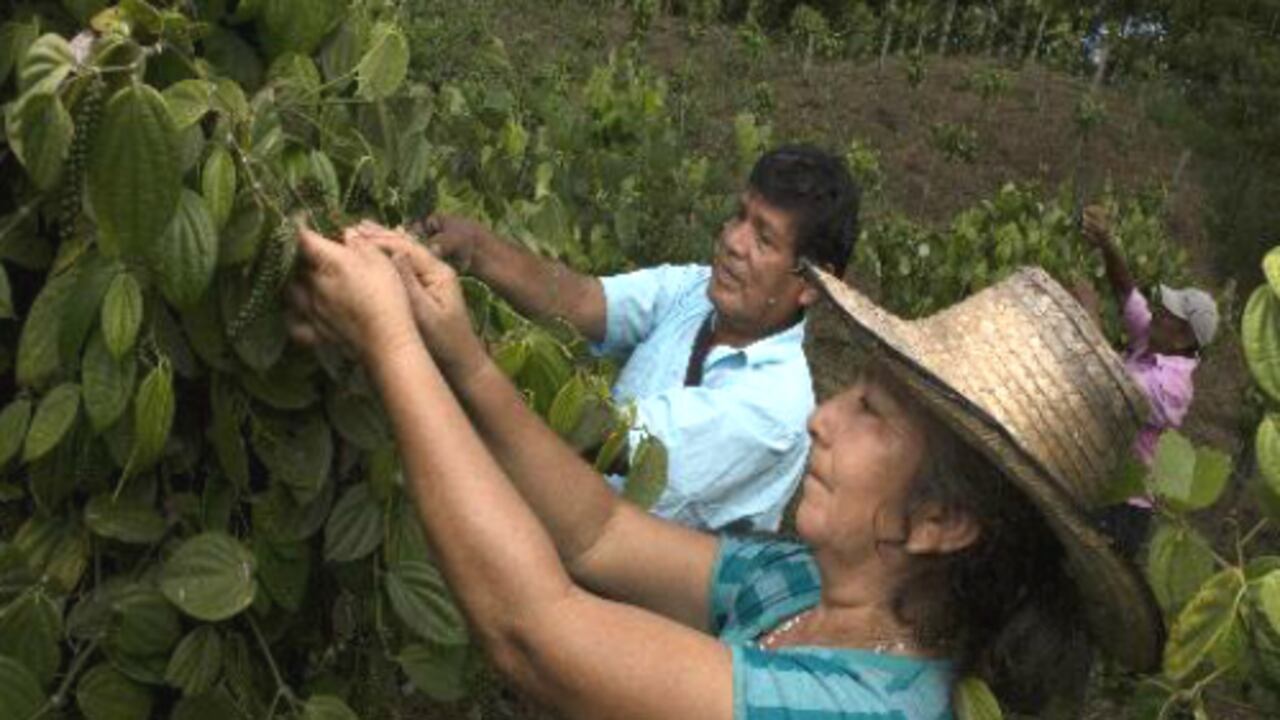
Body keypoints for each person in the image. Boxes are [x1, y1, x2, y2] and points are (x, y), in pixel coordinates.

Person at [286, 218, 1163, 719]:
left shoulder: (863, 708)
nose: (821, 419)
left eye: (869, 414)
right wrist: (462, 358)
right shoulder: (805, 594)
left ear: (941, 523)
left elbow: (532, 632)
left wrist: (389, 344)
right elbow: (599, 532)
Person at [409, 145, 860, 532]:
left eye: (764, 239)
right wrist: (476, 246)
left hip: (630, 612)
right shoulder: (697, 291)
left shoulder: (771, 409)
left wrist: (464, 351)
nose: (733, 242)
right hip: (572, 534)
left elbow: (602, 437)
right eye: (739, 216)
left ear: (811, 285)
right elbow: (583, 300)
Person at [1081, 205, 1219, 466]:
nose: (1156, 312)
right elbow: (1126, 290)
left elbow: (1113, 392)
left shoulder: (1174, 387)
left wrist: (1089, 314)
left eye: (1168, 314)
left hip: (1125, 500)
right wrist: (1106, 241)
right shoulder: (1156, 340)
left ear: (1184, 339)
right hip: (1098, 472)